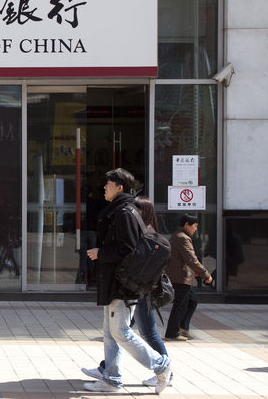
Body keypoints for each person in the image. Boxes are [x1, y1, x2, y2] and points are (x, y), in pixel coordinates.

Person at [82, 169, 171, 394]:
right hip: (115, 282)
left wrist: (101, 253)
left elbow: (129, 249)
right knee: (110, 332)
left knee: (120, 331)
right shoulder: (120, 210)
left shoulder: (124, 213)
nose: (104, 187)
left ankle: (161, 365)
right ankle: (111, 379)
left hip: (121, 284)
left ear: (119, 187)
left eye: (108, 184)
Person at [164, 213, 213, 340]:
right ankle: (172, 333)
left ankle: (182, 328)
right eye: (194, 226)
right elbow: (192, 259)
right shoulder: (182, 238)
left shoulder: (179, 236)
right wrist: (206, 275)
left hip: (181, 276)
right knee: (180, 305)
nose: (196, 229)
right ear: (187, 224)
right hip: (180, 277)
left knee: (191, 301)